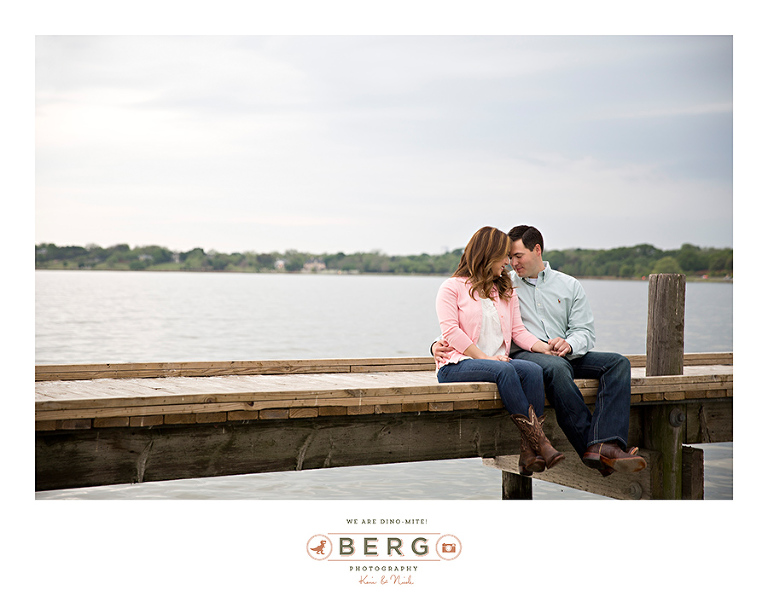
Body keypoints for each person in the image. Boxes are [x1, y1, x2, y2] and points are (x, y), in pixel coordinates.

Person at [434, 225, 646, 476]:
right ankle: (584, 448)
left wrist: (566, 345)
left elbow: (584, 332)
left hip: (557, 353)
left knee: (618, 363)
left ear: (537, 250)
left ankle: (606, 442)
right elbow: (459, 326)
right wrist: (436, 345)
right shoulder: (500, 282)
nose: (511, 263)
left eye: (517, 256)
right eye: (507, 257)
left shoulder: (565, 285)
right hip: (518, 357)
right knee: (548, 369)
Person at [435, 226, 564, 476]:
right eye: (504, 256)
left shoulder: (504, 289)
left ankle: (528, 453)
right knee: (504, 370)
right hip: (457, 364)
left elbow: (518, 332)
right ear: (487, 254)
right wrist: (486, 358)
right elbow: (451, 332)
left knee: (533, 370)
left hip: (497, 362)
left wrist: (544, 348)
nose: (507, 262)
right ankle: (541, 443)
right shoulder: (451, 288)